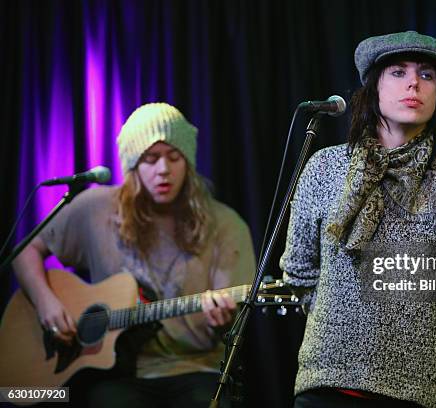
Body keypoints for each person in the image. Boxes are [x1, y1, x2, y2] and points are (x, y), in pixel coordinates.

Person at [280, 31, 436, 407]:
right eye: (398, 72)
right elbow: (299, 269)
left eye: (426, 75)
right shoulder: (324, 168)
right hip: (327, 384)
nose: (413, 84)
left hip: (419, 391)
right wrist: (342, 313)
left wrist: (429, 327)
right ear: (373, 86)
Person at [12, 102, 256, 407]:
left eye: (174, 157)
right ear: (132, 165)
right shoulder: (95, 208)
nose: (163, 169)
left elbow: (234, 324)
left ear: (188, 162)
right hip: (115, 374)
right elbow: (24, 253)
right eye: (150, 159)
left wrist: (223, 321)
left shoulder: (226, 224)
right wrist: (47, 303)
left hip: (196, 369)